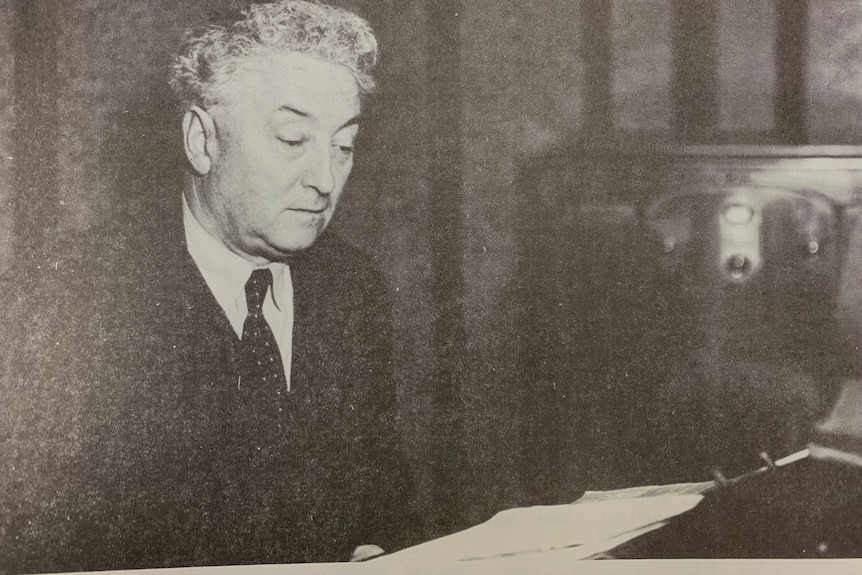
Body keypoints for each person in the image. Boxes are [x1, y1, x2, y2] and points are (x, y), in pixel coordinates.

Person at [0, 1, 419, 572]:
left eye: (342, 146)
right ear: (202, 139)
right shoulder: (76, 301)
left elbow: (387, 504)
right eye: (293, 139)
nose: (324, 179)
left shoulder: (353, 288)